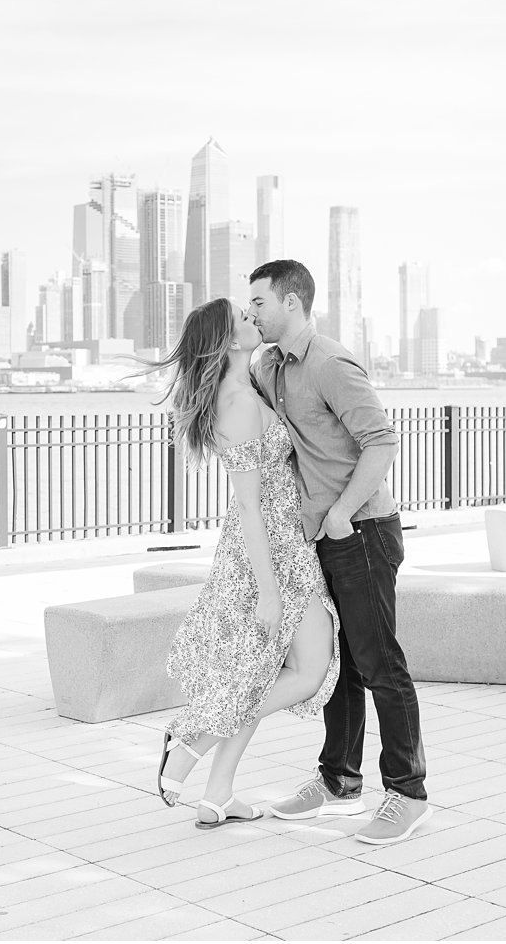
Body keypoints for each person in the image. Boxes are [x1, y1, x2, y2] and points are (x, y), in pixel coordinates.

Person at [247, 259, 430, 846]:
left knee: (380, 664)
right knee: (341, 664)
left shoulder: (330, 364)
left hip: (363, 531)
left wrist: (340, 514)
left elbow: (382, 439)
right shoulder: (269, 367)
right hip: (324, 535)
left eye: (259, 303)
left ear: (292, 303)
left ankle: (407, 793)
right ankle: (338, 781)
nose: (252, 312)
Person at [142, 297, 341, 830]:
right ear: (229, 340)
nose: (255, 321)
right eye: (244, 320)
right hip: (271, 552)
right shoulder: (240, 402)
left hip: (275, 545)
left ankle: (217, 794)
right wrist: (271, 590)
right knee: (307, 670)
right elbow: (250, 504)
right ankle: (191, 740)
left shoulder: (248, 386)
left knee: (260, 674)